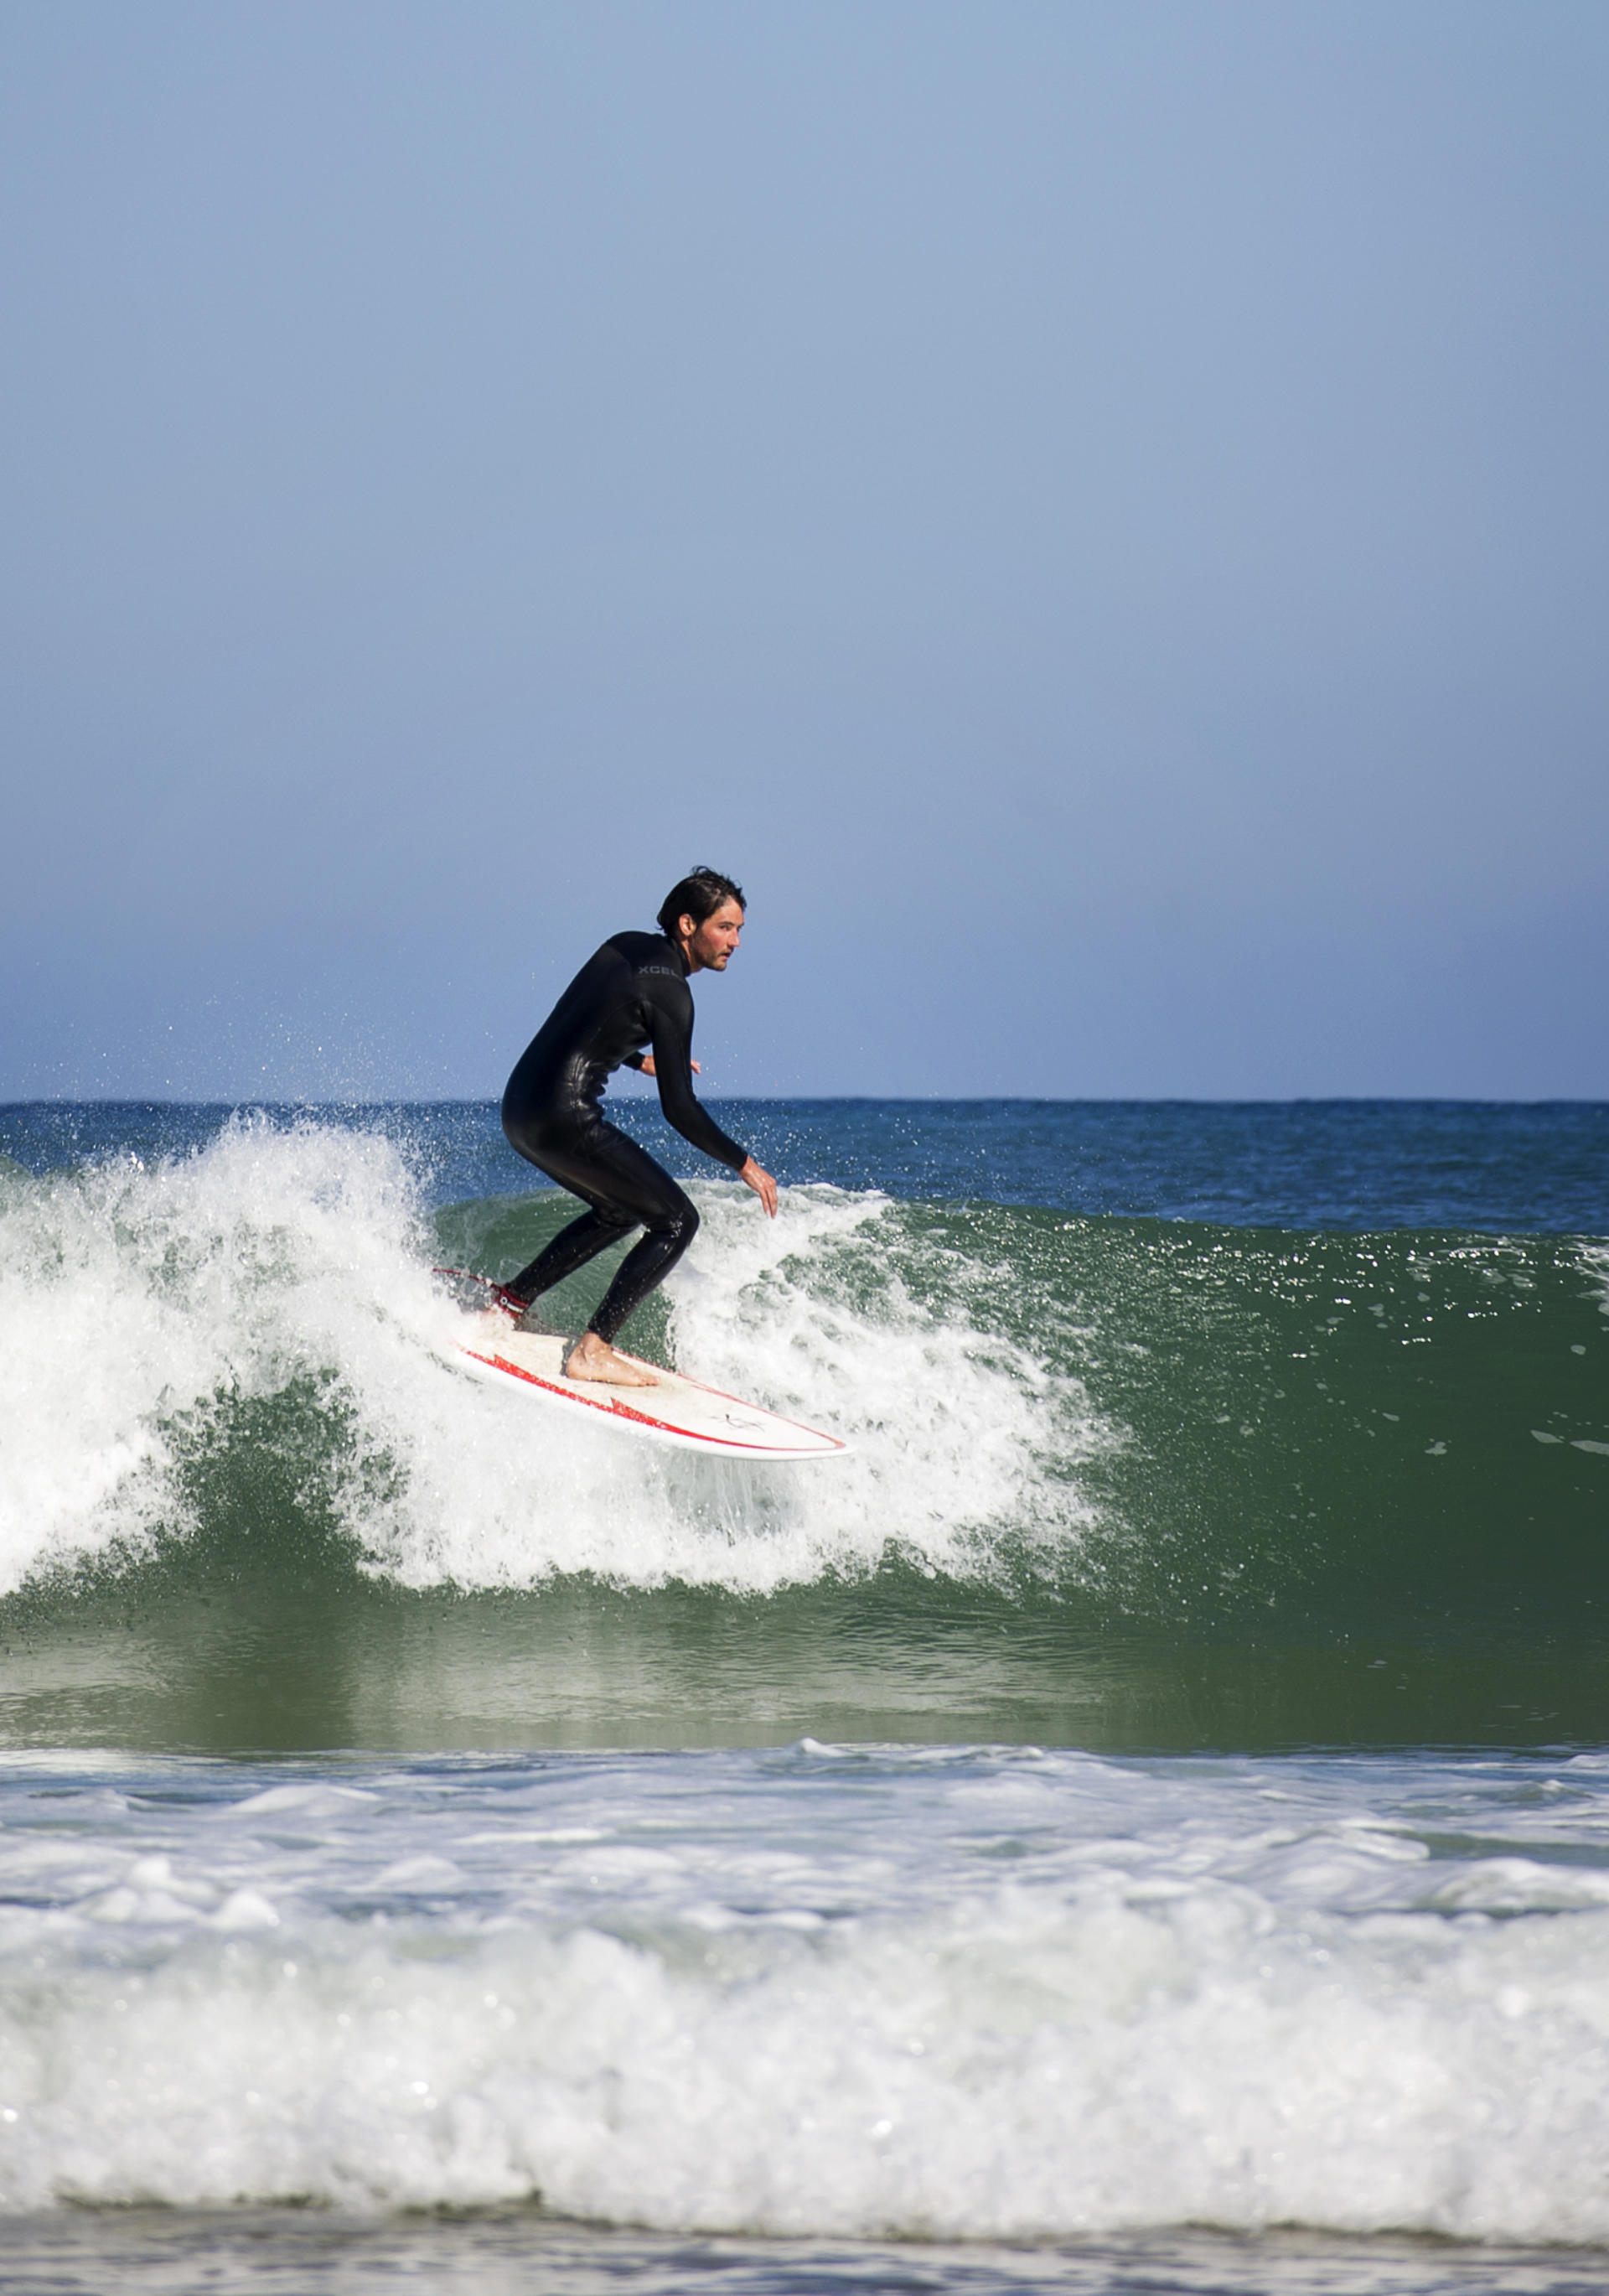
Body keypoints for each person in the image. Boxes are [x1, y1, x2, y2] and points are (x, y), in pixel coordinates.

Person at [497, 868, 778, 1387]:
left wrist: (635, 1060)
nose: (736, 942)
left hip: (520, 1106)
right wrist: (744, 1163)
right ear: (688, 924)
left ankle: (510, 1300)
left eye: (739, 930)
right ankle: (595, 1349)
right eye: (725, 928)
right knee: (676, 1221)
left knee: (621, 1208)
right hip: (564, 1114)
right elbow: (681, 1109)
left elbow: (580, 1018)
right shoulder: (674, 995)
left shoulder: (624, 947)